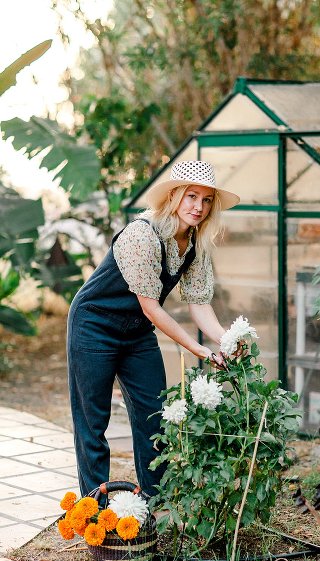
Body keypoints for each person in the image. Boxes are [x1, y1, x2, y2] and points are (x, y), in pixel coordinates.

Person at [67, 160, 242, 501]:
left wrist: (227, 340)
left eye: (207, 200)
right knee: (93, 422)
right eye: (191, 196)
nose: (199, 207)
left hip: (136, 334)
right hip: (94, 325)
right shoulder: (141, 234)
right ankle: (94, 513)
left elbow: (199, 303)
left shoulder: (194, 245)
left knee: (154, 418)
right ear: (174, 196)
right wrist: (199, 349)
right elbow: (151, 306)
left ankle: (154, 505)